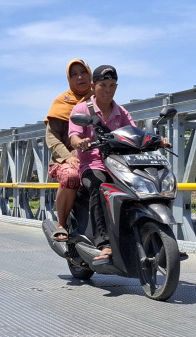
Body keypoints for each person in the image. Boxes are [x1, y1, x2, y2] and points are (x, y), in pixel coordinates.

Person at [68, 64, 162, 265]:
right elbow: (74, 136)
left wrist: (157, 140)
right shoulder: (82, 109)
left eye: (112, 85)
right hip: (93, 164)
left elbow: (136, 134)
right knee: (99, 186)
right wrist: (80, 143)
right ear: (93, 86)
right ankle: (104, 243)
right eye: (103, 85)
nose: (109, 90)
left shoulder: (121, 112)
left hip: (120, 164)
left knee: (142, 186)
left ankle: (153, 237)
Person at [45, 58, 93, 241]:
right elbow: (52, 138)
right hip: (66, 160)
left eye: (83, 72)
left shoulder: (100, 99)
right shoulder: (61, 104)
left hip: (95, 157)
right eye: (74, 74)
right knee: (71, 176)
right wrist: (67, 157)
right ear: (69, 79)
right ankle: (62, 224)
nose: (80, 77)